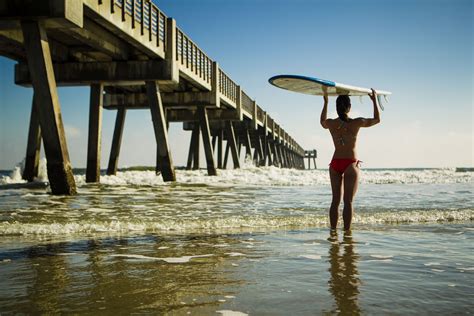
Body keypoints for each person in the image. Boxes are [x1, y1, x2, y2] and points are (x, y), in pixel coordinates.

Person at [320, 89, 380, 230]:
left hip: (335, 163)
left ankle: (333, 232)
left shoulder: (331, 124)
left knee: (335, 201)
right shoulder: (356, 123)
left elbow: (322, 122)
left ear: (337, 107)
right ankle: (347, 234)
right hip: (350, 163)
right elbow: (377, 120)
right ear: (349, 107)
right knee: (348, 201)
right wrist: (374, 100)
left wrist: (326, 102)